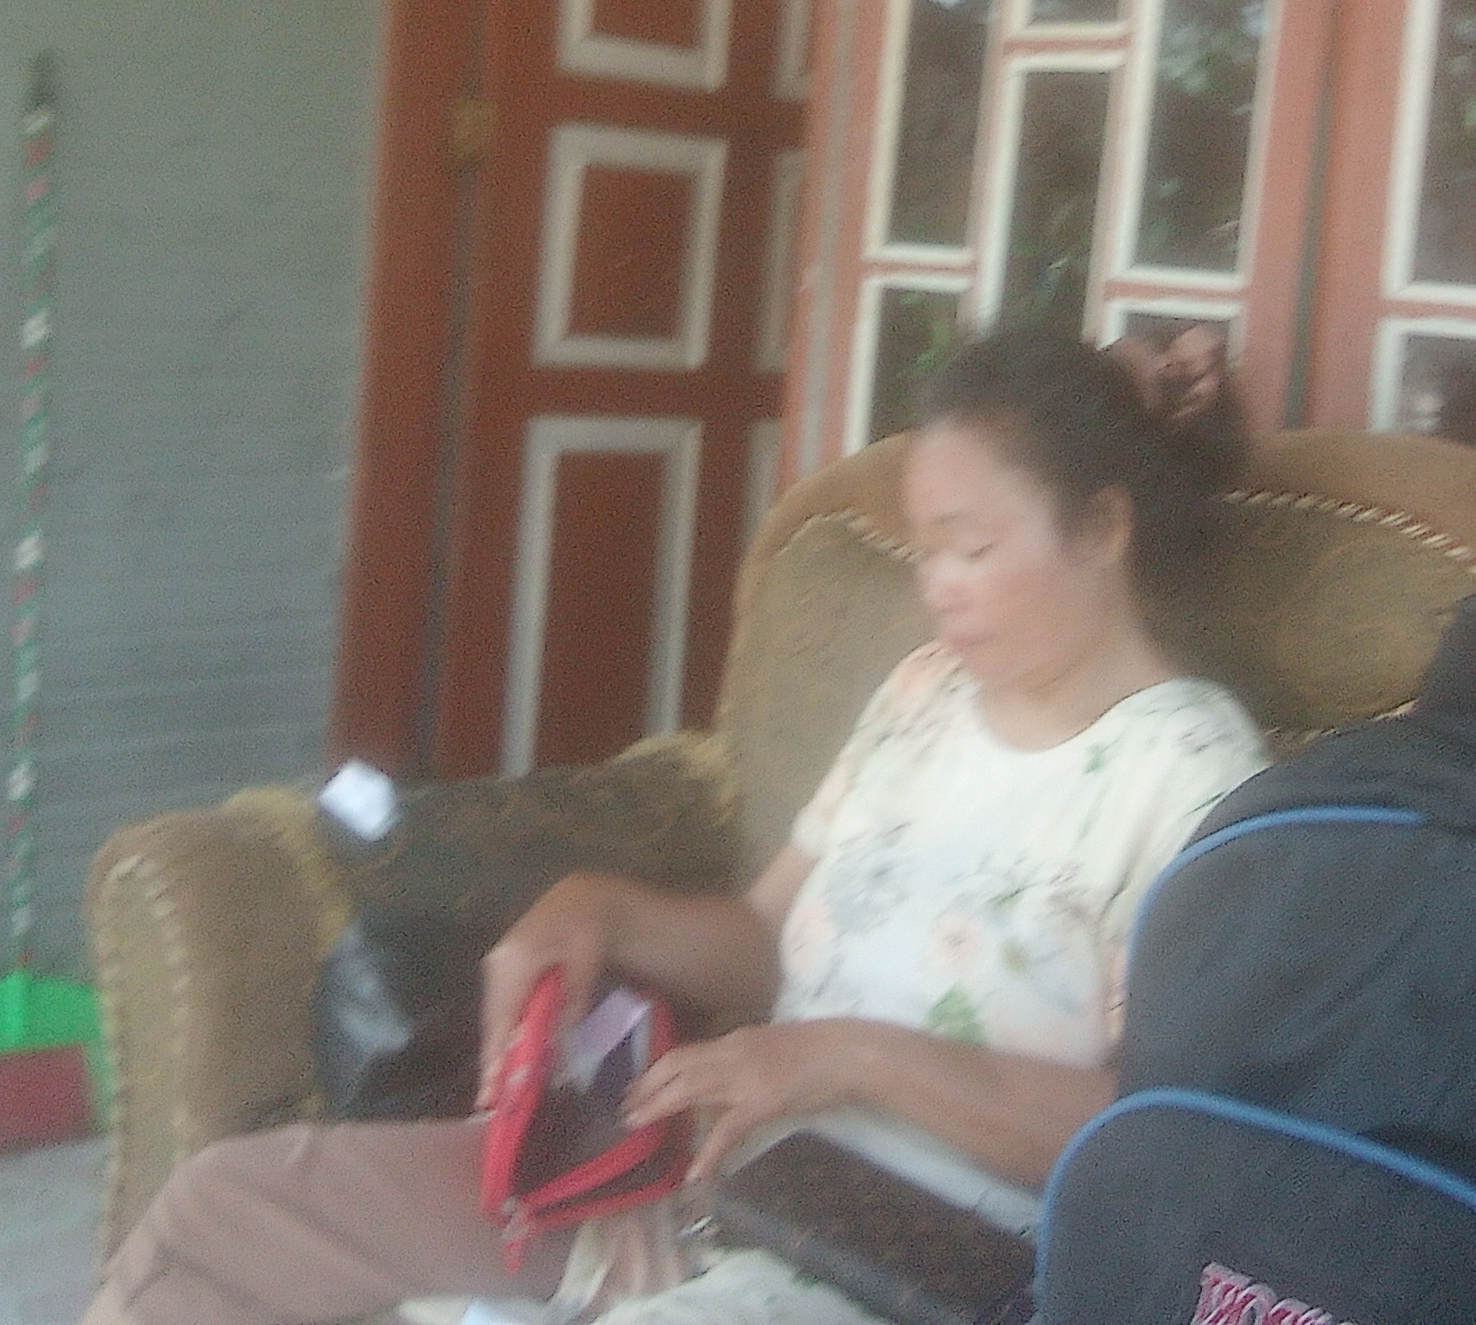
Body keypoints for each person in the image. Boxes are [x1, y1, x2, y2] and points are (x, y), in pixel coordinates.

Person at [84, 325, 1269, 1325]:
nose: (937, 588)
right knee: (226, 1217)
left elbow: (1162, 1139)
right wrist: (604, 912)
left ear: (1101, 528)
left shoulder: (1193, 776)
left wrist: (851, 1054)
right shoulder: (924, 697)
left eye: (974, 548)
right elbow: (768, 938)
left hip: (913, 1259)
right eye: (926, 552)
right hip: (701, 1184)